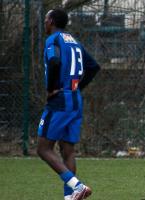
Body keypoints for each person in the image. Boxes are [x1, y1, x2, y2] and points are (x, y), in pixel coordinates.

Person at [37, 8, 100, 200]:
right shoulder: (74, 42)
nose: (45, 23)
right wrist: (77, 87)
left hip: (60, 99)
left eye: (46, 19)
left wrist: (51, 89)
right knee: (67, 150)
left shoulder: (53, 39)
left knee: (43, 149)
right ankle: (70, 196)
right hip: (74, 98)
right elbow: (94, 66)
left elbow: (54, 62)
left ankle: (77, 186)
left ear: (52, 21)